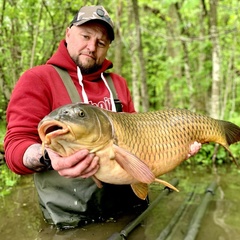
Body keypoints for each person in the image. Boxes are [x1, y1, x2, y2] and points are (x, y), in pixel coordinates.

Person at [4, 5, 201, 229]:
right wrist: (49, 156)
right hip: (72, 222)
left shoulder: (118, 83)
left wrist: (174, 147)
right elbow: (15, 145)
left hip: (132, 210)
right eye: (85, 36)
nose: (91, 47)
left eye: (101, 43)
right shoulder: (38, 79)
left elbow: (139, 138)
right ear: (68, 33)